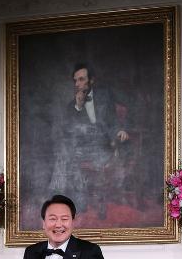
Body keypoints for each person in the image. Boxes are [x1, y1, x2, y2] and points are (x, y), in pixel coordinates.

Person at [50, 63, 132, 213]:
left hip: (104, 145)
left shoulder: (105, 95)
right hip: (82, 147)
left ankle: (74, 199)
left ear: (91, 80)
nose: (77, 84)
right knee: (64, 155)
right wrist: (78, 107)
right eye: (75, 80)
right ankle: (62, 198)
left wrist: (122, 129)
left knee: (70, 156)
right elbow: (67, 131)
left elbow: (117, 117)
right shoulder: (72, 105)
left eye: (81, 79)